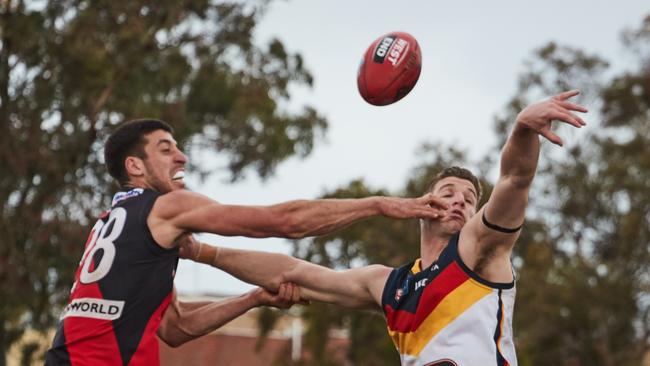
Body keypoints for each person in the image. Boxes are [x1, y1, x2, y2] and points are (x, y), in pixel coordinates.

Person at [183, 90, 588, 366]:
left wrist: (521, 128)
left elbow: (514, 180)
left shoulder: (480, 254)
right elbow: (294, 274)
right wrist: (203, 252)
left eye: (469, 198)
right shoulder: (388, 284)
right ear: (420, 208)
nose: (460, 200)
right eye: (448, 191)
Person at [45, 119, 447, 366]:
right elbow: (283, 222)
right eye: (166, 149)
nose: (182, 157)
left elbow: (176, 327)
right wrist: (377, 203)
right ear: (135, 166)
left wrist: (253, 298)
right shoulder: (167, 208)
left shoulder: (111, 223)